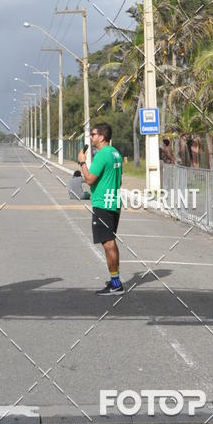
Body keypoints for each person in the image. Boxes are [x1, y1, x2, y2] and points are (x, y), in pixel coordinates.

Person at [77, 122, 124, 295]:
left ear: (102, 137)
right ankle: (115, 279)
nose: (91, 137)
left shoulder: (102, 154)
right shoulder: (115, 153)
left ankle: (116, 283)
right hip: (114, 201)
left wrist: (82, 162)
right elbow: (119, 181)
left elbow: (89, 179)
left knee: (108, 243)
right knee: (110, 240)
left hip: (103, 204)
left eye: (94, 134)